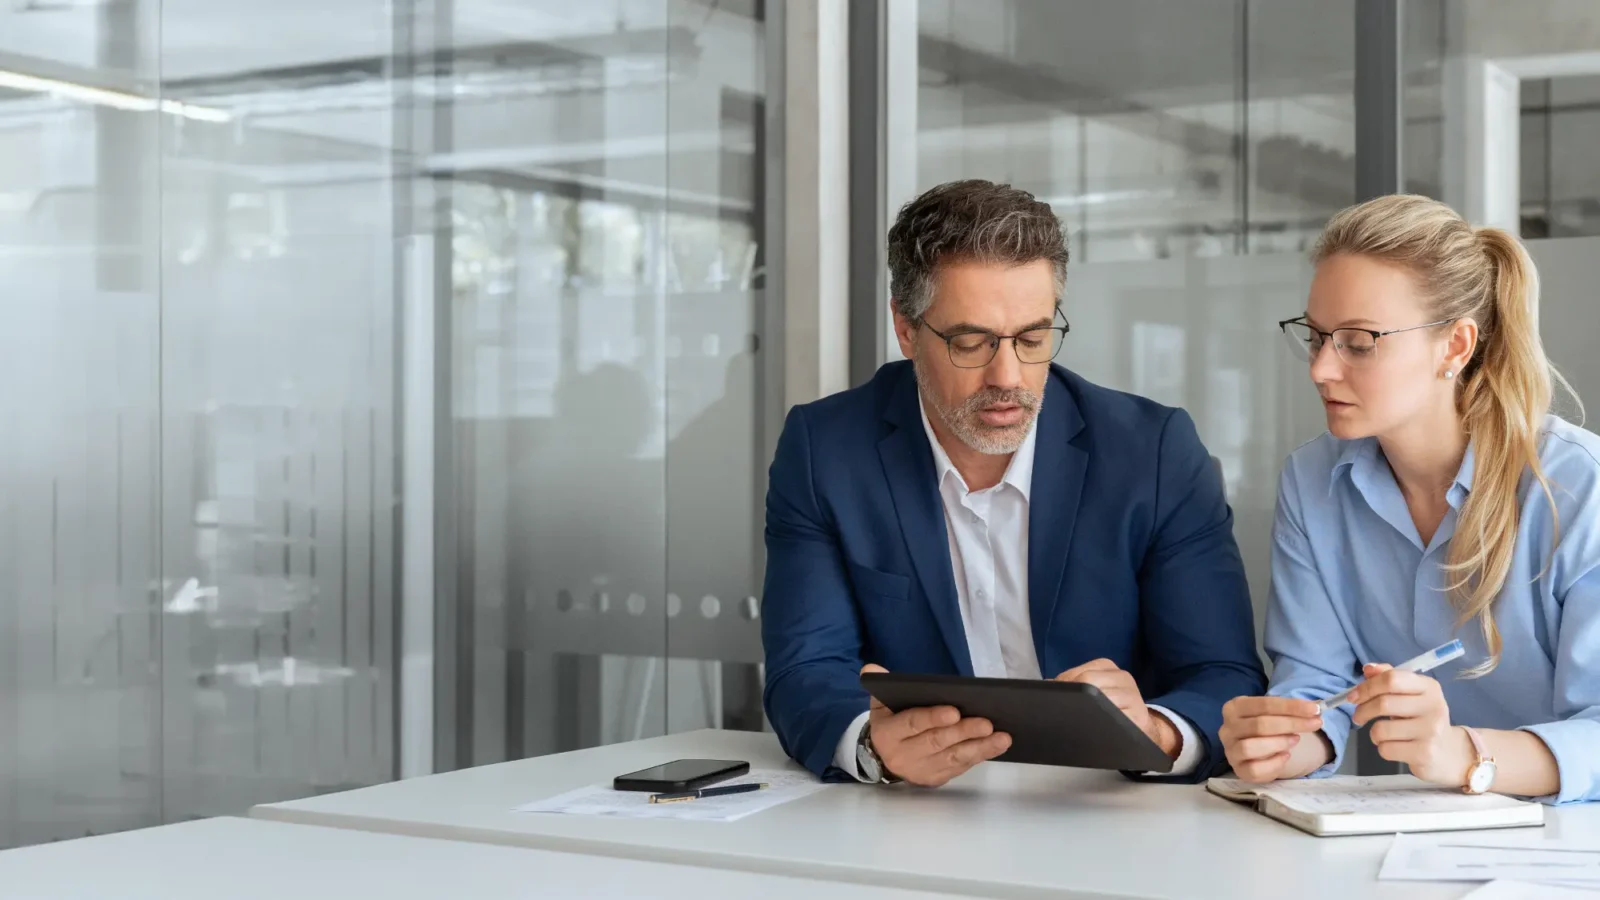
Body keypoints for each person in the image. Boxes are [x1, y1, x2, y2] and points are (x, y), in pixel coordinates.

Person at [760, 179, 1265, 787]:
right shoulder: (826, 451)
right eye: (971, 342)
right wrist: (873, 747)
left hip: (1114, 808)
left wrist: (1155, 731)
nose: (1009, 376)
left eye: (1032, 338)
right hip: (924, 813)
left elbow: (1225, 673)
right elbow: (804, 669)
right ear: (906, 328)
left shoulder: (1152, 453)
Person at [1220, 194, 1600, 804]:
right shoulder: (1312, 481)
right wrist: (1283, 743)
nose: (1321, 368)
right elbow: (1316, 686)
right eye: (1316, 336)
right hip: (1418, 841)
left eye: (1359, 341)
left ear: (1455, 346)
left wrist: (1463, 752)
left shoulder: (1580, 488)